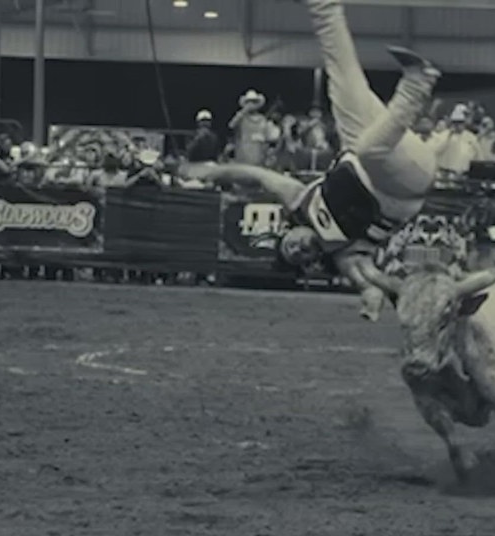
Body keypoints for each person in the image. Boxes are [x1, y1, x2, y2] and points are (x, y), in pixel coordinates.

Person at [179, 0, 444, 321]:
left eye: (291, 248)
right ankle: (418, 83)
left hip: (380, 152)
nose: (300, 249)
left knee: (342, 83)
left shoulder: (299, 200)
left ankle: (324, 5)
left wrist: (210, 170)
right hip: (403, 183)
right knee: (366, 149)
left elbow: (255, 174)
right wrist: (374, 296)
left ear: (286, 233)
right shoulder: (344, 255)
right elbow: (370, 280)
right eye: (302, 257)